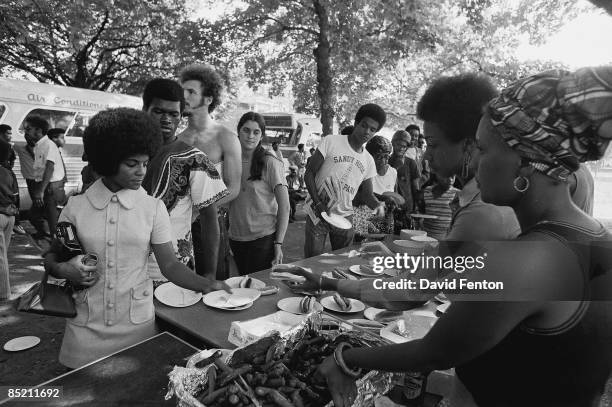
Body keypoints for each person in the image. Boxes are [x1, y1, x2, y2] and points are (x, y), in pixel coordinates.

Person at [284, 67, 612, 407]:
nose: (478, 163)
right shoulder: (595, 236)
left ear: (526, 162)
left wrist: (345, 359)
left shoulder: (522, 254)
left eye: (484, 149)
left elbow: (434, 350)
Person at [43, 108, 229, 369]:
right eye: (132, 164)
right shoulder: (76, 207)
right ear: (107, 160)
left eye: (145, 163)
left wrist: (206, 284)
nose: (141, 171)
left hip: (137, 328)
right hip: (83, 329)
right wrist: (64, 269)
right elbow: (51, 258)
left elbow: (171, 266)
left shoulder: (153, 209)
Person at [141, 78, 228, 280]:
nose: (166, 119)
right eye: (158, 111)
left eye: (173, 114)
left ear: (181, 116)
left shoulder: (195, 160)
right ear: (144, 108)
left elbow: (209, 219)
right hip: (128, 272)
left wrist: (209, 272)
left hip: (177, 276)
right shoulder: (125, 156)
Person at [178, 64, 241, 279]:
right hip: (178, 226)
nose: (183, 96)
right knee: (182, 287)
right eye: (182, 90)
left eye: (191, 92)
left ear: (208, 99)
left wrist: (201, 209)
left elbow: (234, 188)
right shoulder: (178, 140)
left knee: (214, 289)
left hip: (213, 224)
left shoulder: (226, 137)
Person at [303, 104, 385, 257]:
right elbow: (309, 174)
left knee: (343, 261)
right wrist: (318, 203)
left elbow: (367, 195)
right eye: (364, 125)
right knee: (311, 261)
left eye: (372, 129)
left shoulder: (368, 161)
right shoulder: (331, 141)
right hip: (317, 211)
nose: (367, 131)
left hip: (344, 218)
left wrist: (378, 206)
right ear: (356, 123)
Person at [228, 112, 289, 275]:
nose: (250, 136)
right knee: (239, 291)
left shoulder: (270, 162)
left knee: (259, 291)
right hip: (234, 239)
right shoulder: (230, 160)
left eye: (256, 132)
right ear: (238, 131)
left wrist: (278, 244)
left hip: (263, 241)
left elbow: (285, 207)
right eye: (246, 130)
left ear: (262, 135)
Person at [352, 136, 403, 238]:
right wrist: (384, 198)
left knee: (383, 249)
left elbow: (395, 195)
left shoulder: (392, 172)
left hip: (386, 219)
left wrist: (394, 205)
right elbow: (362, 194)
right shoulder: (362, 170)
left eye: (387, 157)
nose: (384, 161)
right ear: (369, 156)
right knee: (364, 249)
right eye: (379, 157)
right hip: (364, 220)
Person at [0, 141, 18, 301]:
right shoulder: (8, 172)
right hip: (9, 216)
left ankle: (3, 293)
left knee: (1, 258)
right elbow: (15, 194)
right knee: (2, 255)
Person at [0, 124, 25, 235]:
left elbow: (12, 160)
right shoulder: (6, 146)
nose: (10, 135)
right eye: (8, 133)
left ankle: (15, 222)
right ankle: (15, 223)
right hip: (5, 174)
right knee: (12, 195)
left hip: (6, 172)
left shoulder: (8, 146)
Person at [389, 130, 420, 214]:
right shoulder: (386, 161)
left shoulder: (411, 163)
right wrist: (395, 168)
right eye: (398, 145)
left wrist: (416, 207)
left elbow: (415, 188)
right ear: (393, 143)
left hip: (407, 207)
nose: (401, 148)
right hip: (389, 204)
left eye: (404, 146)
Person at [420, 174, 458, 240]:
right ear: (438, 175)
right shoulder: (427, 190)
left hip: (444, 236)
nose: (450, 180)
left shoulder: (457, 194)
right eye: (446, 176)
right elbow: (423, 210)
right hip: (425, 234)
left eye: (453, 176)